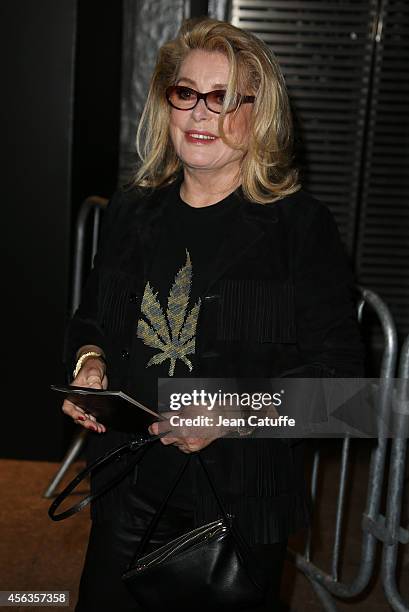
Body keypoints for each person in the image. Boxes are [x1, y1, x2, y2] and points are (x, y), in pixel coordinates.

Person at [61, 17, 365, 611]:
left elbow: (345, 390)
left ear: (261, 115)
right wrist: (89, 361)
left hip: (236, 503)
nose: (201, 113)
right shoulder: (129, 210)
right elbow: (91, 315)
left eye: (223, 97)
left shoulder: (300, 229)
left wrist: (230, 409)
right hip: (127, 487)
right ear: (166, 104)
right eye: (186, 93)